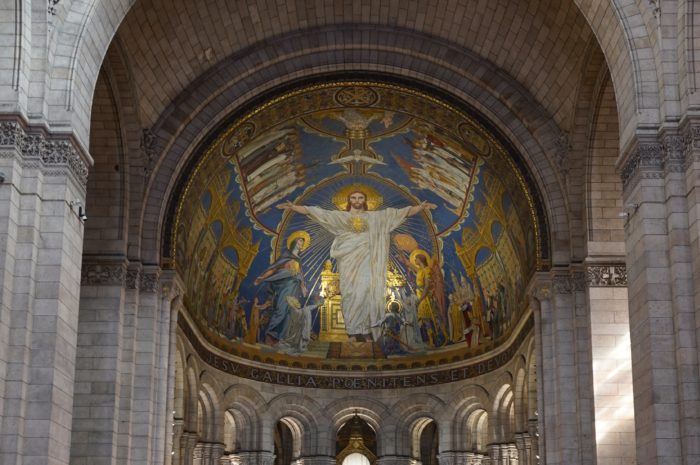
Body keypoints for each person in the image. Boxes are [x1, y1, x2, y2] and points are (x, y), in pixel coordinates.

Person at [277, 190, 436, 341]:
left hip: (367, 259)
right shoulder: (341, 217)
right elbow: (318, 213)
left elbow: (400, 213)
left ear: (365, 201)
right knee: (350, 293)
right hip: (348, 260)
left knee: (367, 292)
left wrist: (420, 207)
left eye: (360, 198)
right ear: (349, 201)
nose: (357, 201)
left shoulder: (376, 217)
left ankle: (366, 331)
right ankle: (352, 331)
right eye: (354, 198)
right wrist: (293, 207)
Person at [254, 231, 309, 345]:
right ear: (294, 242)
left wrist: (303, 287)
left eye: (302, 243)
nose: (301, 244)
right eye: (300, 241)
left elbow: (300, 274)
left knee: (289, 312)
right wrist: (262, 277)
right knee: (281, 309)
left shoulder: (298, 259)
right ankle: (270, 335)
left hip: (294, 288)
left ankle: (280, 338)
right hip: (284, 286)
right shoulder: (286, 256)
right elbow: (274, 268)